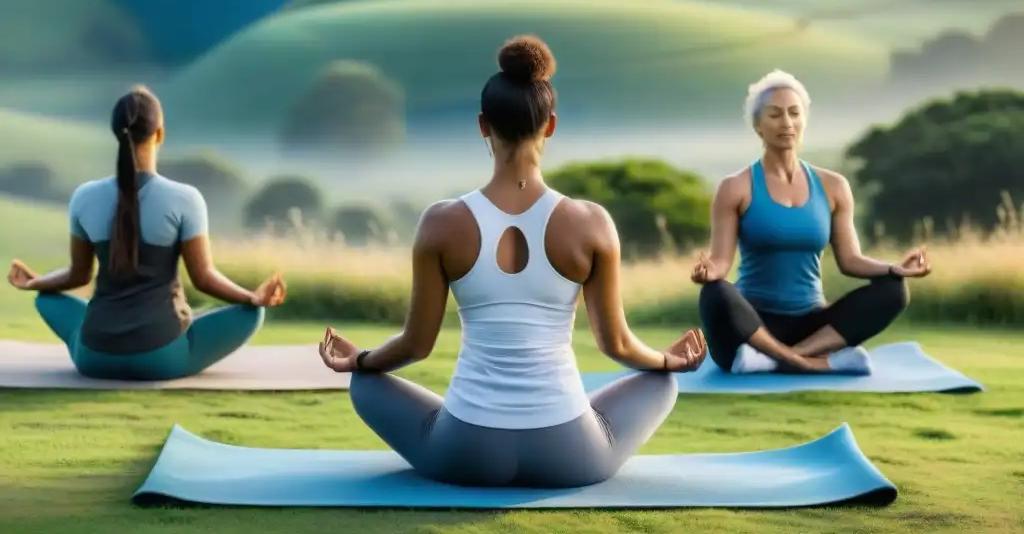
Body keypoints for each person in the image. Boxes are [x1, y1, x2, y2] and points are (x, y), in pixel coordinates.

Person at [318, 35, 707, 489]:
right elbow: (616, 345)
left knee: (366, 382)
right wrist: (666, 360)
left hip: (465, 453)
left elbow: (415, 346)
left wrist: (360, 360)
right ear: (551, 125)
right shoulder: (591, 222)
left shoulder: (442, 222)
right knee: (661, 382)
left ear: (483, 125)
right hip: (571, 455)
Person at [6, 85, 287, 381]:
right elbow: (203, 278)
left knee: (46, 298)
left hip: (94, 357)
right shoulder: (185, 199)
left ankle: (93, 335)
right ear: (160, 134)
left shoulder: (84, 197)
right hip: (161, 359)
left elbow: (78, 275)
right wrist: (251, 297)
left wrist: (36, 283)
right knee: (250, 314)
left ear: (116, 133)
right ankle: (183, 338)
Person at [691, 70, 931, 377]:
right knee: (714, 292)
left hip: (811, 327)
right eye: (775, 114)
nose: (787, 123)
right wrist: (709, 271)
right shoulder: (735, 187)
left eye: (794, 113)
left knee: (894, 290)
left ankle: (782, 358)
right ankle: (805, 363)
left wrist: (895, 269)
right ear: (758, 125)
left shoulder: (833, 186)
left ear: (804, 120)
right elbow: (721, 261)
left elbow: (850, 260)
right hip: (751, 327)